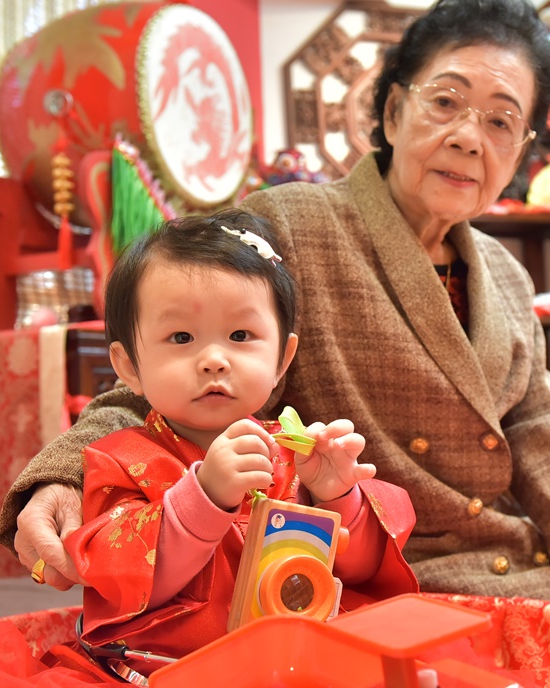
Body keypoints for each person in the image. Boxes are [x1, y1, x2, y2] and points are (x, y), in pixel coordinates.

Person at [0, 0, 550, 629]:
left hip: (503, 546)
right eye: (446, 101)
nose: (466, 136)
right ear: (393, 112)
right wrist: (59, 477)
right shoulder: (290, 225)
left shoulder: (507, 279)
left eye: (499, 121)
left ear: (520, 153)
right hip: (373, 567)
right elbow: (159, 377)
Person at [32, 208, 417, 681]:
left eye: (240, 335)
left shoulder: (299, 452)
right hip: (173, 668)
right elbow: (124, 577)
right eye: (181, 337)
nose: (214, 359)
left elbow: (363, 571)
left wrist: (338, 498)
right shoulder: (122, 460)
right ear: (128, 365)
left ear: (282, 358)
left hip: (294, 663)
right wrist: (206, 497)